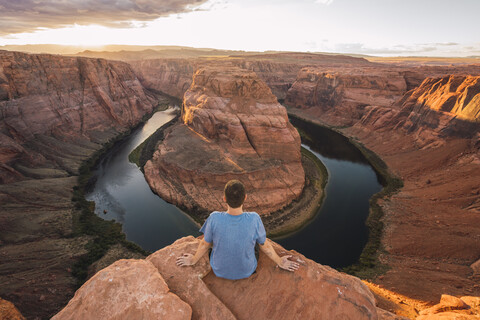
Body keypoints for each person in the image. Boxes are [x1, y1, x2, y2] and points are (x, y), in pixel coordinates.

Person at [176, 179, 299, 279]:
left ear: (224, 198)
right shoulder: (254, 218)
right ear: (245, 197)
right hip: (247, 271)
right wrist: (279, 261)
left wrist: (192, 260)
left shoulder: (214, 217)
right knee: (257, 241)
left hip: (219, 270)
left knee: (214, 239)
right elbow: (264, 245)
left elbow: (204, 243)